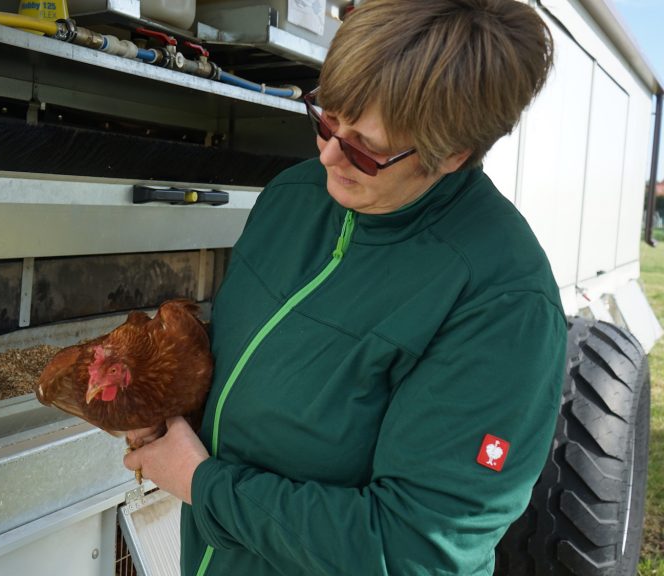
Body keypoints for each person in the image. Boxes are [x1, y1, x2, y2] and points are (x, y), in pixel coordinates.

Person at [123, 1, 565, 574]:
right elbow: (259, 364)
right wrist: (161, 404)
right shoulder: (295, 195)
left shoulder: (501, 302)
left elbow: (416, 549)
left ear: (452, 153)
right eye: (327, 120)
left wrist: (205, 485)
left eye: (365, 147)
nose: (329, 155)